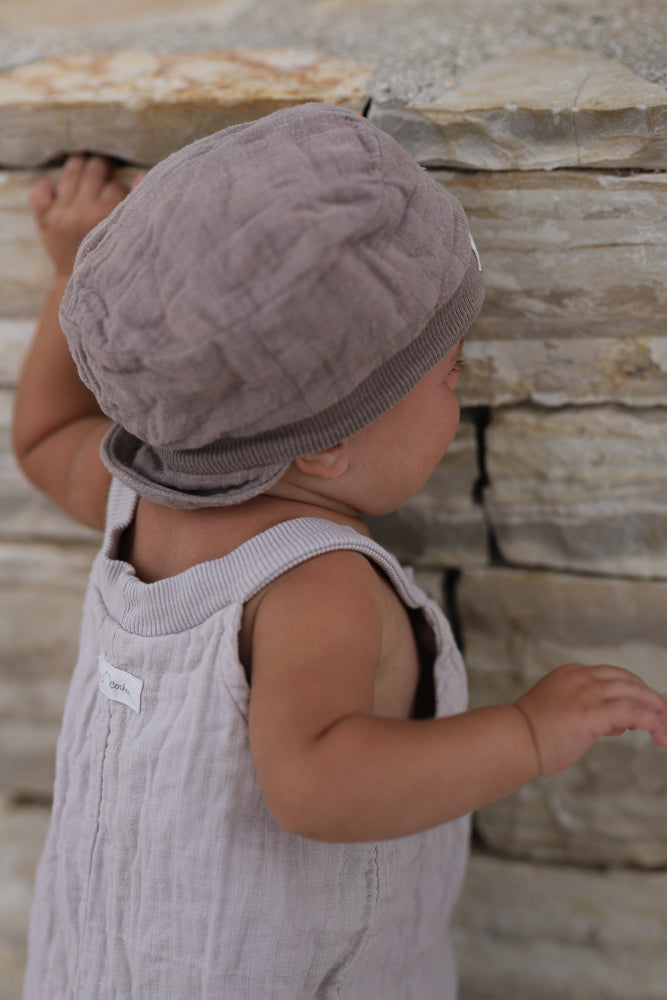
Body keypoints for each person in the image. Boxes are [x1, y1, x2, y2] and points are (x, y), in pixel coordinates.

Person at [13, 104, 667, 1000]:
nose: (462, 389)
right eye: (449, 374)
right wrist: (525, 733)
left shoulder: (138, 497)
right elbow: (316, 785)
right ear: (325, 446)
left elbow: (45, 434)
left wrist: (64, 278)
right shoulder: (312, 586)